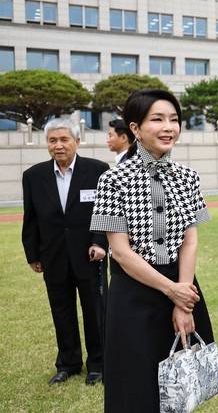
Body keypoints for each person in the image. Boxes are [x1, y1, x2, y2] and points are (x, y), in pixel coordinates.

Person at [90, 89, 215, 412]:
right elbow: (120, 252)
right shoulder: (113, 180)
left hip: (183, 286)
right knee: (134, 387)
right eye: (157, 119)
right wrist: (172, 291)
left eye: (174, 120)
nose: (168, 127)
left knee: (180, 385)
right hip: (134, 293)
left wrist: (184, 299)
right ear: (135, 128)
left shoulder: (188, 177)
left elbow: (190, 240)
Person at [22, 118, 109, 386]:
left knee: (95, 311)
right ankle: (68, 363)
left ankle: (98, 364)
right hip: (54, 256)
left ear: (77, 141)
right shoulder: (33, 176)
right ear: (47, 143)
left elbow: (105, 212)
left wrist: (99, 243)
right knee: (61, 311)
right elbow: (31, 218)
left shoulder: (98, 170)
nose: (58, 145)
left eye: (64, 140)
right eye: (52, 140)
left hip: (89, 255)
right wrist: (33, 254)